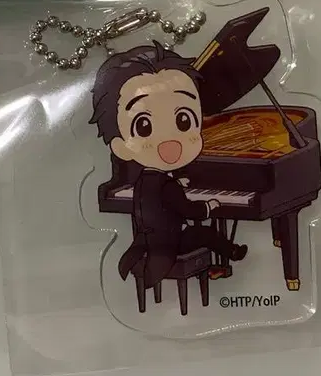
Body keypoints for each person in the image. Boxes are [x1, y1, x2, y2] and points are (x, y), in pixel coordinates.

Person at [90, 42, 248, 289]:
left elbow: (161, 197)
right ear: (120, 146)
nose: (170, 143)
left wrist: (176, 184)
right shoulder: (166, 185)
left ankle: (214, 263)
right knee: (204, 233)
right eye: (144, 126)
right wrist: (208, 206)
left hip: (149, 238)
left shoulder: (145, 179)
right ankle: (233, 253)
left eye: (184, 121)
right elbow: (187, 210)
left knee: (200, 233)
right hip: (169, 244)